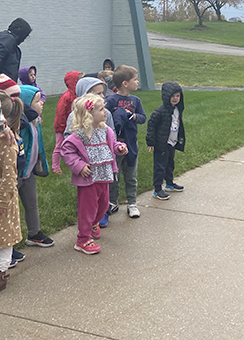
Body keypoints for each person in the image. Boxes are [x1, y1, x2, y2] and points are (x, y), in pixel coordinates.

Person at [61, 95, 127, 255]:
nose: (105, 111)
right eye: (101, 109)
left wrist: (119, 147)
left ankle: (94, 223)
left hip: (104, 175)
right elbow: (66, 151)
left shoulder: (106, 130)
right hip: (88, 179)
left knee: (104, 205)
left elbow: (113, 144)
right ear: (88, 115)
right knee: (87, 209)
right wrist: (80, 165)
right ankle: (82, 240)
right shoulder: (79, 135)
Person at [105, 65, 146, 219]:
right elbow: (104, 116)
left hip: (131, 145)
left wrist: (133, 116)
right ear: (125, 83)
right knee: (114, 175)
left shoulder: (136, 100)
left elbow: (143, 117)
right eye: (135, 79)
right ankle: (112, 201)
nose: (137, 82)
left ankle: (132, 203)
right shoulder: (111, 100)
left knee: (131, 175)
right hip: (114, 145)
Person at [17, 85, 53, 248]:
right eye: (37, 101)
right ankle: (7, 244)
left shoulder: (35, 122)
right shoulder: (20, 125)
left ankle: (34, 233)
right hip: (15, 173)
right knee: (8, 209)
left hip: (28, 172)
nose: (42, 103)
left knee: (32, 203)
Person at [146, 82, 186, 200]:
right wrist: (151, 142)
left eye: (178, 96)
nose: (175, 98)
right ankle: (157, 189)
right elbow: (151, 125)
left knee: (170, 164)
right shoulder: (160, 111)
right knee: (160, 166)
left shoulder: (177, 110)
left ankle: (169, 183)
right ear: (166, 96)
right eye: (173, 96)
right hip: (162, 143)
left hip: (172, 142)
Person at [0, 92, 23, 292]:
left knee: (3, 237)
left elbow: (8, 176)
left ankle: (1, 273)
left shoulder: (6, 142)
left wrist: (3, 202)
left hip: (2, 200)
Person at [52, 71, 83, 174]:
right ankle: (55, 166)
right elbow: (61, 113)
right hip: (62, 126)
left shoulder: (78, 95)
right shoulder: (66, 96)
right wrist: (62, 127)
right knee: (59, 146)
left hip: (72, 125)